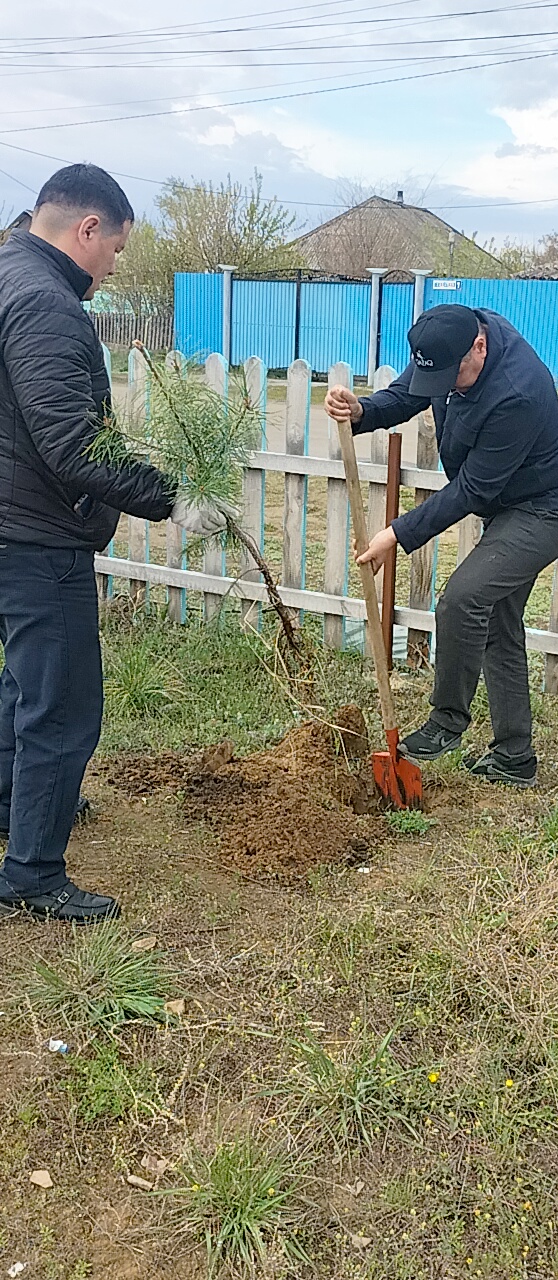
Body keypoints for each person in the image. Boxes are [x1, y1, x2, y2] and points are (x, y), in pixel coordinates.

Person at [0, 164, 231, 924]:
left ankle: (13, 804)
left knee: (24, 685)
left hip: (9, 524)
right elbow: (71, 445)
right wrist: (175, 499)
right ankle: (33, 872)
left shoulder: (7, 272)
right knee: (64, 707)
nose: (114, 266)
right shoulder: (46, 304)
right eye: (118, 249)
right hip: (34, 538)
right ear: (87, 228)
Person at [325, 304, 558, 788]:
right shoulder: (449, 340)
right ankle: (514, 757)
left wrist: (395, 534)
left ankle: (447, 721)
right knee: (498, 622)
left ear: (480, 347)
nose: (446, 388)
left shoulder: (518, 391)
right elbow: (409, 393)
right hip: (508, 504)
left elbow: (472, 489)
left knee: (463, 599)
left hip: (548, 509)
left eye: (454, 377)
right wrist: (363, 410)